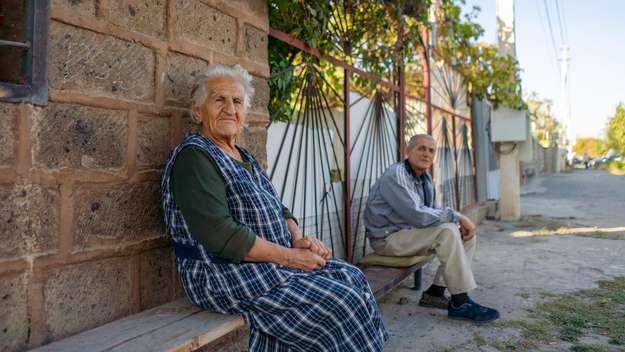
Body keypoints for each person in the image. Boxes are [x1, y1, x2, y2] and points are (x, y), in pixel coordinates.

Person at [161, 64, 388, 351]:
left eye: (237, 101)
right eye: (219, 100)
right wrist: (291, 258)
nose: (230, 108)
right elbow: (221, 235)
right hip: (222, 273)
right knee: (342, 303)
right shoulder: (195, 158)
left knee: (352, 277)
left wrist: (298, 239)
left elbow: (280, 208)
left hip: (268, 264)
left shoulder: (243, 156)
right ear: (198, 112)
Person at [363, 134, 499, 322]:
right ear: (408, 151)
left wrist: (456, 221)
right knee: (448, 231)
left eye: (431, 150)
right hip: (388, 239)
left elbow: (434, 211)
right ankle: (460, 302)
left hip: (409, 235)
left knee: (461, 234)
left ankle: (435, 292)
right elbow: (417, 215)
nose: (426, 154)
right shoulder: (396, 175)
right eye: (421, 148)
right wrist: (459, 216)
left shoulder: (425, 179)